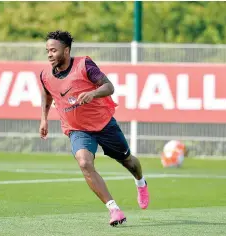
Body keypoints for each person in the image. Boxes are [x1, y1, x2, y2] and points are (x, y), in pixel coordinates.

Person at [39, 30, 149, 226]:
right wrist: (44, 119)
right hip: (77, 129)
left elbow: (109, 87)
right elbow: (48, 95)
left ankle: (140, 182)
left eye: (53, 50)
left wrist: (93, 94)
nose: (49, 54)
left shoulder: (84, 65)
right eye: (47, 50)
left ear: (66, 51)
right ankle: (114, 209)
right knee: (84, 162)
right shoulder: (45, 75)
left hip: (104, 124)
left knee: (128, 161)